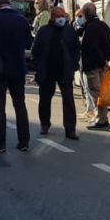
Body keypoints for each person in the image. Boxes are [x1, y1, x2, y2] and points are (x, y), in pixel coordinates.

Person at [0, 0, 33, 153]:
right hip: (18, 67)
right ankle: (24, 141)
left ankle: (0, 142)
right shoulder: (21, 20)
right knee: (20, 104)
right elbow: (28, 42)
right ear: (9, 3)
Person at [34, 7, 79, 140]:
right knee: (45, 98)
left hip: (65, 70)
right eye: (58, 16)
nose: (61, 18)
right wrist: (38, 66)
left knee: (69, 101)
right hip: (47, 70)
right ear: (52, 17)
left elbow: (76, 49)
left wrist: (74, 64)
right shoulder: (44, 31)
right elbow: (36, 50)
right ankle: (44, 124)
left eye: (63, 16)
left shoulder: (69, 30)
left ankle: (70, 129)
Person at [78, 2, 110, 130]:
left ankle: (102, 120)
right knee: (100, 93)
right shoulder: (103, 26)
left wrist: (102, 60)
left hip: (92, 65)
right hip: (101, 64)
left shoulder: (90, 28)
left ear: (86, 14)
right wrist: (106, 59)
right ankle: (102, 118)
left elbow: (91, 47)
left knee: (96, 93)